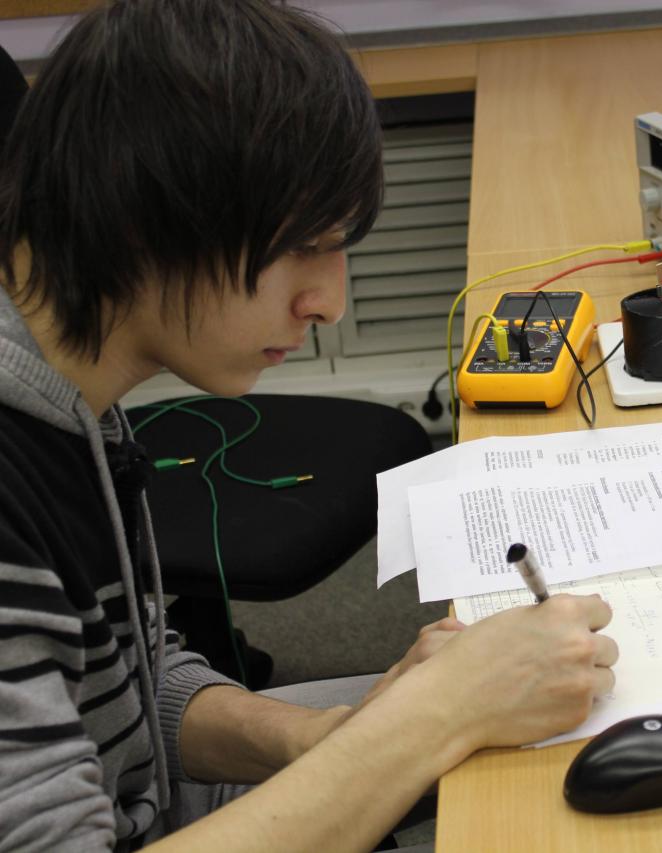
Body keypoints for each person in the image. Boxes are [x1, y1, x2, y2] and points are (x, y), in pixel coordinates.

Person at [0, 1, 618, 850]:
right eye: (304, 246)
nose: (329, 301)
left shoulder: (68, 397)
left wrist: (327, 736)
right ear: (144, 213)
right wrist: (435, 716)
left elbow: (126, 690)